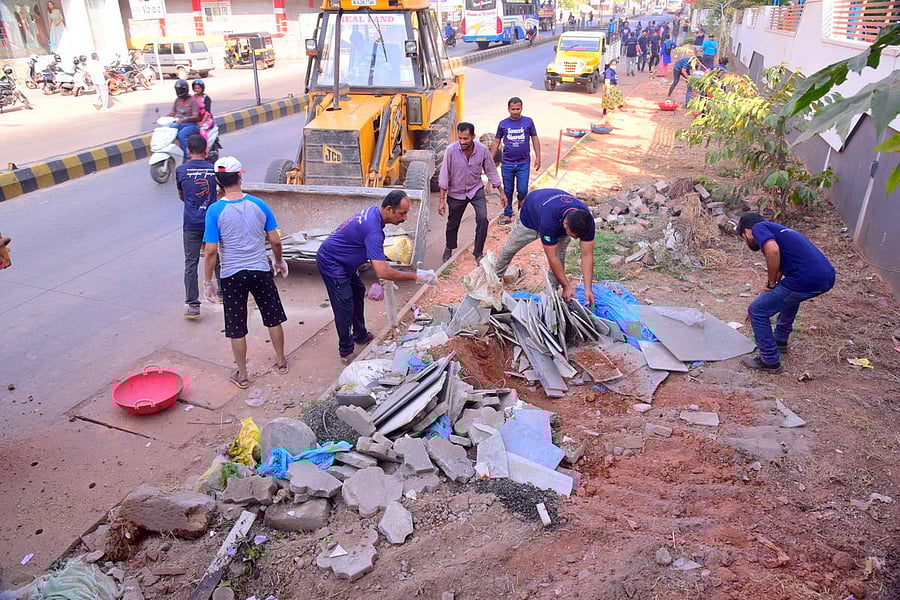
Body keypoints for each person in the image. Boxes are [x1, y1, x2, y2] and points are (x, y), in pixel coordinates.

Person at [316, 190, 438, 361]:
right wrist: (416, 276)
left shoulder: (374, 213)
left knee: (358, 292)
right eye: (402, 213)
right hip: (333, 263)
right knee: (344, 305)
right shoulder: (374, 231)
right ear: (389, 209)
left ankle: (360, 335)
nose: (405, 218)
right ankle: (346, 351)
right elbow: (382, 272)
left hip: (344, 261)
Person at [202, 156, 289, 389]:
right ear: (240, 176)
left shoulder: (214, 211)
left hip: (231, 275)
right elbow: (275, 240)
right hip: (260, 269)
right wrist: (279, 262)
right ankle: (281, 361)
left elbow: (210, 251)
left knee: (236, 326)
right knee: (272, 317)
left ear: (218, 181)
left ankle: (243, 374)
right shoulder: (260, 204)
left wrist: (207, 281)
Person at [737, 213, 835, 373]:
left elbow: (773, 251)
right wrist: (770, 287)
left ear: (747, 232)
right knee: (790, 298)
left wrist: (770, 283)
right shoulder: (780, 230)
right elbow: (781, 265)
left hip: (806, 277)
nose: (747, 241)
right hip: (824, 276)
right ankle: (780, 340)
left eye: (744, 237)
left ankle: (769, 360)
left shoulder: (759, 227)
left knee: (757, 311)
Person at [494, 188, 596, 305]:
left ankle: (551, 293)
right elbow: (552, 259)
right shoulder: (549, 221)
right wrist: (567, 286)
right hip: (530, 218)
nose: (575, 239)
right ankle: (493, 281)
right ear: (565, 223)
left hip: (552, 213)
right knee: (509, 249)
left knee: (560, 254)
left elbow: (587, 255)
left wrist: (588, 288)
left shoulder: (586, 221)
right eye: (572, 235)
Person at [438, 122, 507, 263]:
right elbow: (444, 175)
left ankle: (478, 252)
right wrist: (441, 200)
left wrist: (501, 191)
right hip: (456, 193)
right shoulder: (451, 151)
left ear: (473, 137)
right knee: (453, 223)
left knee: (483, 218)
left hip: (475, 190)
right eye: (460, 138)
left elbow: (491, 170)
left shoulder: (482, 150)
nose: (462, 142)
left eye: (466, 139)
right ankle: (449, 247)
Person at [177, 134, 220, 319]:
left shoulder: (181, 171)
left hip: (191, 223)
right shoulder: (214, 170)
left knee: (190, 263)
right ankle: (224, 294)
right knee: (217, 257)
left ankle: (193, 305)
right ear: (206, 150)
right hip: (211, 222)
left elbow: (181, 195)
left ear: (188, 150)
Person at [490, 97, 541, 225]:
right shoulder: (503, 124)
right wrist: (490, 158)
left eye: (518, 109)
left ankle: (521, 211)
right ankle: (507, 214)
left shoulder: (528, 122)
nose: (515, 111)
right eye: (513, 109)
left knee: (523, 189)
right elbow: (497, 141)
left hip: (523, 163)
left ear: (521, 108)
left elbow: (534, 138)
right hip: (507, 163)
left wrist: (538, 156)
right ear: (508, 109)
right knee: (507, 190)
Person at [168, 80, 200, 159]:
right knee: (169, 132)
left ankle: (188, 156)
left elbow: (196, 116)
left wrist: (185, 119)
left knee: (182, 135)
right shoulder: (177, 100)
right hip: (179, 123)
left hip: (191, 124)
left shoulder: (193, 101)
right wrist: (164, 118)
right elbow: (173, 112)